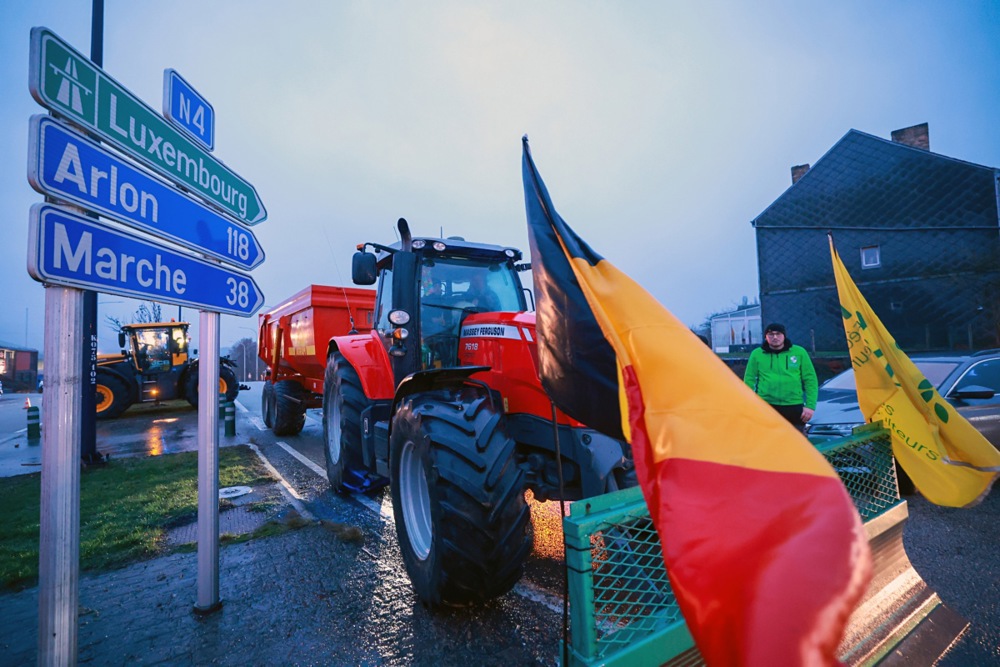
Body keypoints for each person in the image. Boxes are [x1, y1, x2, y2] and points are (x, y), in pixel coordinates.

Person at [743, 322, 818, 432]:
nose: (774, 337)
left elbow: (810, 380)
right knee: (768, 442)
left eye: (778, 334)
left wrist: (810, 406)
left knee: (796, 443)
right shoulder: (757, 354)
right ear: (765, 337)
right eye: (771, 334)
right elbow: (749, 380)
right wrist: (749, 405)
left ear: (784, 335)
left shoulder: (799, 352)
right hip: (766, 405)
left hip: (794, 405)